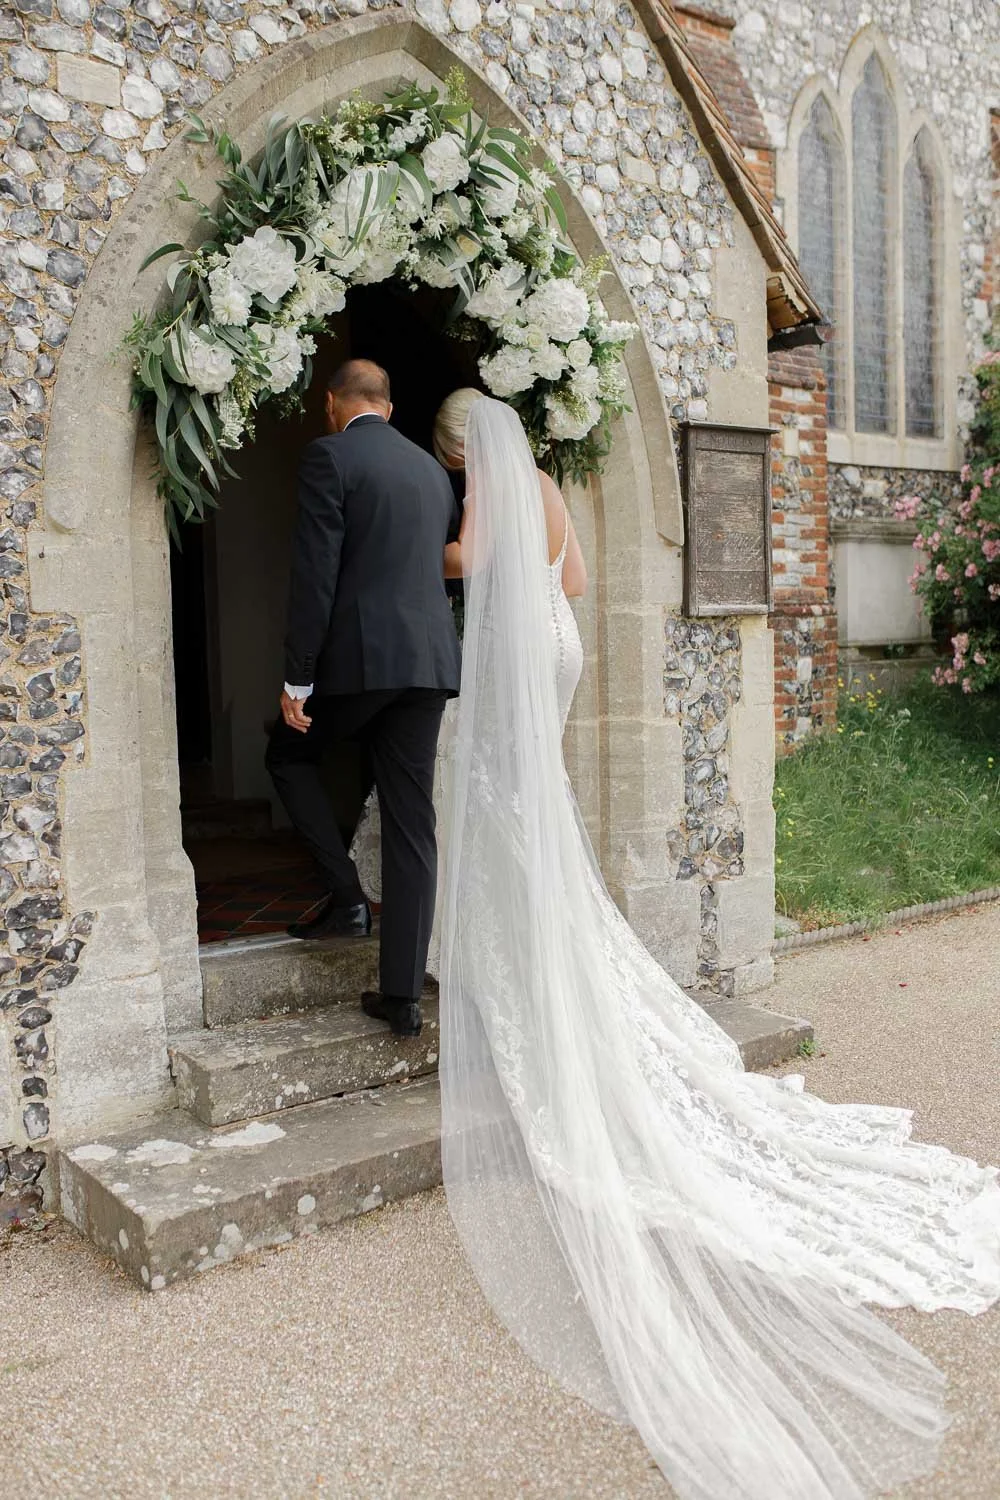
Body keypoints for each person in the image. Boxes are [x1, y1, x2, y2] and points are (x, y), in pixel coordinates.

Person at [438, 396, 1000, 1500]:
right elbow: (581, 588)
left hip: (516, 656)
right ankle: (546, 960)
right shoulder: (549, 485)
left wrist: (443, 535)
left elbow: (471, 562)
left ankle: (522, 981)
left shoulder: (483, 494)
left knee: (497, 799)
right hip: (560, 645)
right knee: (529, 803)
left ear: (463, 452)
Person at [266, 359, 460, 1039]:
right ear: (390, 404)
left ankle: (347, 899)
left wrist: (298, 677)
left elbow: (315, 572)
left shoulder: (330, 456)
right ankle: (402, 997)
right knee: (413, 824)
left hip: (361, 665)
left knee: (288, 756)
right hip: (430, 663)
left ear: (332, 403)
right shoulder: (431, 472)